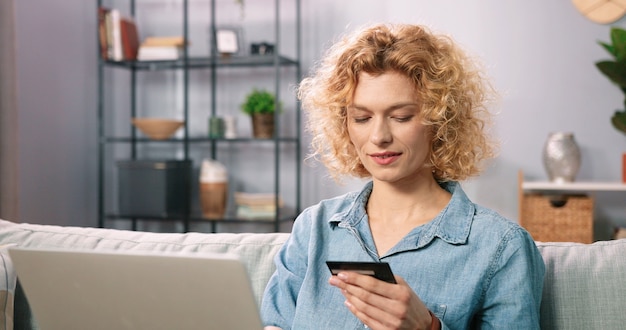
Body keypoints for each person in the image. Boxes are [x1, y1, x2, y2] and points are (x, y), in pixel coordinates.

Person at [261, 23, 545, 330]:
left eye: (401, 117)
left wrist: (428, 327)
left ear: (440, 119)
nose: (379, 136)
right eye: (362, 118)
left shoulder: (500, 246)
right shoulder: (313, 229)